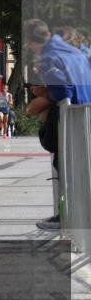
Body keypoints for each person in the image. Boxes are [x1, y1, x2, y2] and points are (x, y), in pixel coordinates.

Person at [24, 19, 91, 230]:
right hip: (85, 114)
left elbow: (63, 91)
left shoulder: (49, 57)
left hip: (71, 119)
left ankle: (67, 218)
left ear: (30, 40)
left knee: (66, 168)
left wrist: (49, 94)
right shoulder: (73, 51)